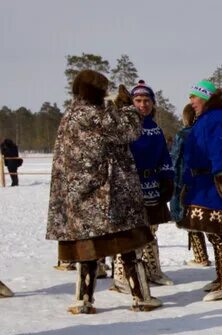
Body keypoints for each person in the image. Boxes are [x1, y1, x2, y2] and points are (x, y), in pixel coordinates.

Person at [46, 70, 161, 314]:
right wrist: (129, 108)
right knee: (129, 245)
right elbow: (129, 132)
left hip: (79, 198)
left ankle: (83, 300)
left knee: (87, 251)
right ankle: (141, 297)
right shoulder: (98, 116)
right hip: (110, 195)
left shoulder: (69, 116)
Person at [178, 79, 222, 302]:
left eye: (194, 97)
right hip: (202, 183)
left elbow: (220, 148)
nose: (191, 101)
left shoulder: (216, 118)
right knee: (213, 233)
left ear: (206, 97)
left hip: (214, 183)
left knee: (221, 234)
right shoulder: (206, 118)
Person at [116, 80, 175, 291]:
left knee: (151, 230)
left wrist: (168, 179)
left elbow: (164, 156)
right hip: (130, 185)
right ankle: (121, 273)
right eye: (138, 100)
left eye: (147, 100)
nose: (143, 105)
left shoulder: (155, 129)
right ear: (132, 102)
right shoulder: (125, 126)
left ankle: (153, 270)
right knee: (129, 232)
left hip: (153, 186)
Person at [170, 104, 211, 267]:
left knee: (189, 217)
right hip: (206, 181)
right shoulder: (208, 132)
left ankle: (200, 256)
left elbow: (175, 157)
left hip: (185, 180)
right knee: (206, 216)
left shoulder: (183, 134)